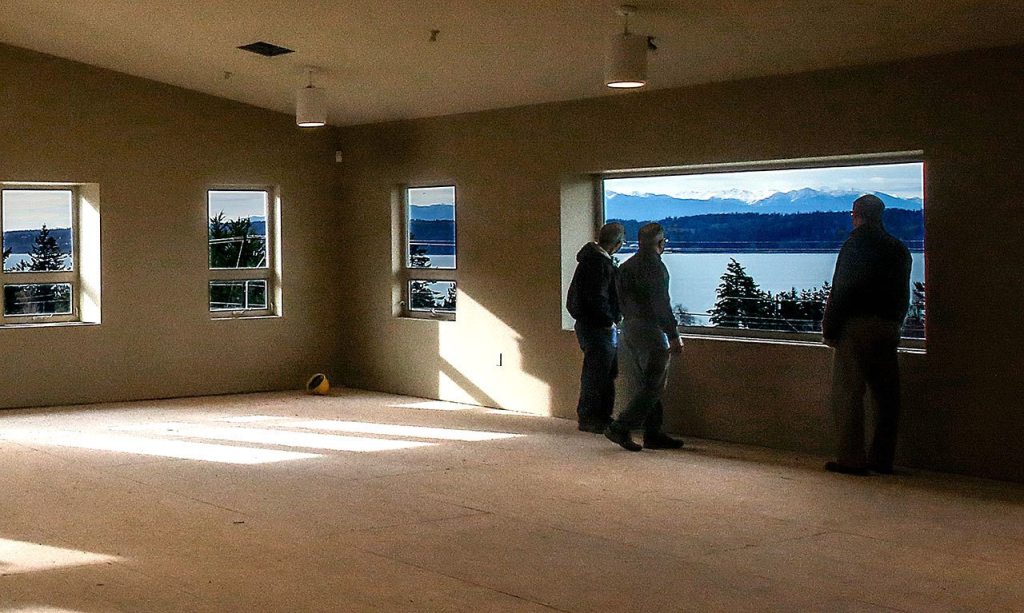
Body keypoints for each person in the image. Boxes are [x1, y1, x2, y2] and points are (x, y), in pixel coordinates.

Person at [821, 194, 912, 475]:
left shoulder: (855, 245)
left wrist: (830, 327)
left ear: (856, 214)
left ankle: (851, 459)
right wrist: (896, 322)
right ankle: (882, 459)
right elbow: (902, 294)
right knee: (886, 396)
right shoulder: (898, 249)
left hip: (856, 326)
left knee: (848, 393)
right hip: (888, 326)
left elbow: (843, 289)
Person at [604, 223, 685, 451]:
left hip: (628, 329)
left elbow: (616, 299)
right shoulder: (656, 268)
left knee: (648, 382)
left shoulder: (627, 266)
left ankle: (653, 432)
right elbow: (662, 305)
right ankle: (621, 426)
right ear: (660, 243)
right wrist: (673, 335)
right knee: (654, 385)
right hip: (650, 331)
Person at [566, 222, 625, 433]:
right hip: (598, 327)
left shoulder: (588, 262)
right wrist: (610, 319)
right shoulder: (599, 265)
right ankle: (592, 418)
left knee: (600, 372)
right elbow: (598, 298)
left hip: (590, 325)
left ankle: (597, 417)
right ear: (617, 244)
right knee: (598, 374)